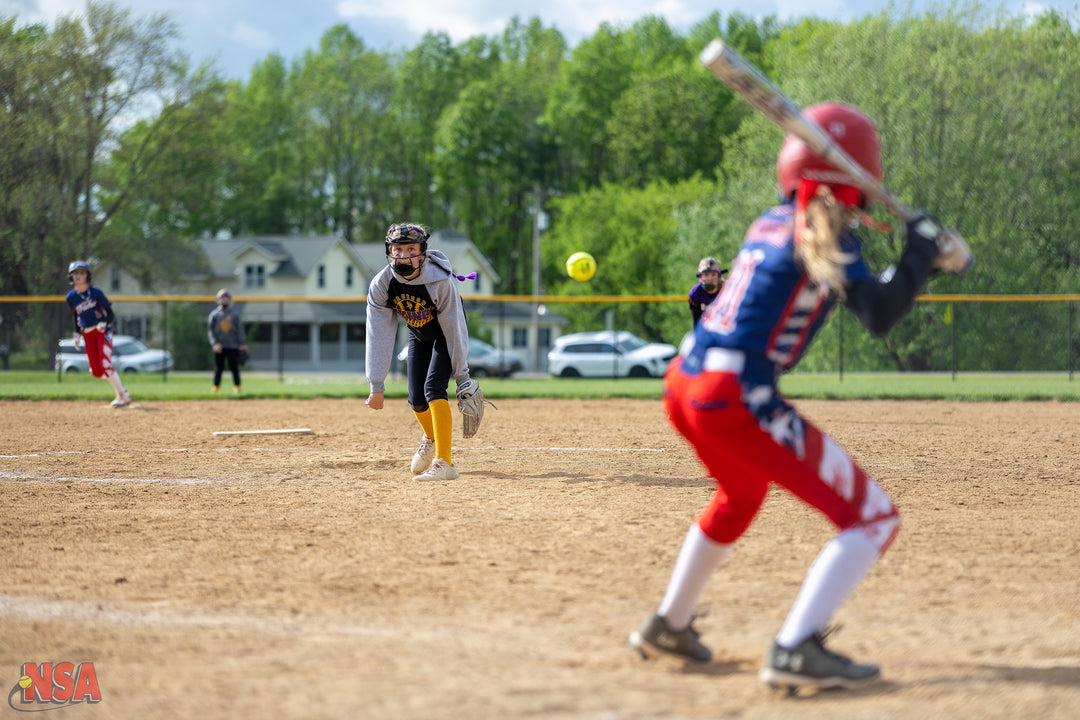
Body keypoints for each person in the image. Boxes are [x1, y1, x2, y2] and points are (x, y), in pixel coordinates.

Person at [628, 102, 971, 691]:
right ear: (862, 176)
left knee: (740, 495)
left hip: (686, 382)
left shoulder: (772, 220)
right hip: (734, 395)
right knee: (872, 517)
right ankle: (794, 647)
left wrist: (925, 263)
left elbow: (866, 291)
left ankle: (669, 624)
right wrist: (920, 251)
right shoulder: (825, 232)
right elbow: (881, 314)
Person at [364, 222, 477, 481]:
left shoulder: (440, 281)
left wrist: (462, 376)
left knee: (433, 389)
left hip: (446, 336)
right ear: (389, 252)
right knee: (416, 398)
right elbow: (378, 333)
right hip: (419, 334)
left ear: (422, 252)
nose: (404, 255)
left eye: (411, 249)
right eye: (398, 249)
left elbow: (455, 330)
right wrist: (376, 384)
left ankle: (445, 463)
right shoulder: (382, 284)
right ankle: (431, 437)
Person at [64, 260, 132, 408]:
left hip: (102, 331)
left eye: (81, 273)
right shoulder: (71, 297)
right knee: (96, 371)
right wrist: (77, 334)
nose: (78, 276)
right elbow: (76, 316)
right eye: (75, 273)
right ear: (71, 277)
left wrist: (104, 322)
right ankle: (119, 386)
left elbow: (111, 314)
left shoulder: (96, 293)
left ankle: (123, 395)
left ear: (88, 276)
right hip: (88, 334)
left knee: (105, 364)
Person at [207, 289, 248, 394]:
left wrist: (242, 344)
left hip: (233, 346)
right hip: (219, 346)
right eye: (222, 298)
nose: (224, 301)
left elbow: (240, 330)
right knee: (218, 369)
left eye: (226, 299)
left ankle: (237, 387)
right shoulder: (214, 315)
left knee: (234, 368)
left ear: (230, 300)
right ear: (218, 300)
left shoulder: (234, 314)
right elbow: (211, 331)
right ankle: (215, 388)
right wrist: (215, 343)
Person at [688, 257, 728, 325]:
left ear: (719, 276)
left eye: (713, 274)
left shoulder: (729, 290)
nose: (710, 278)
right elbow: (697, 324)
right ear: (700, 276)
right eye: (706, 275)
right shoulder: (695, 294)